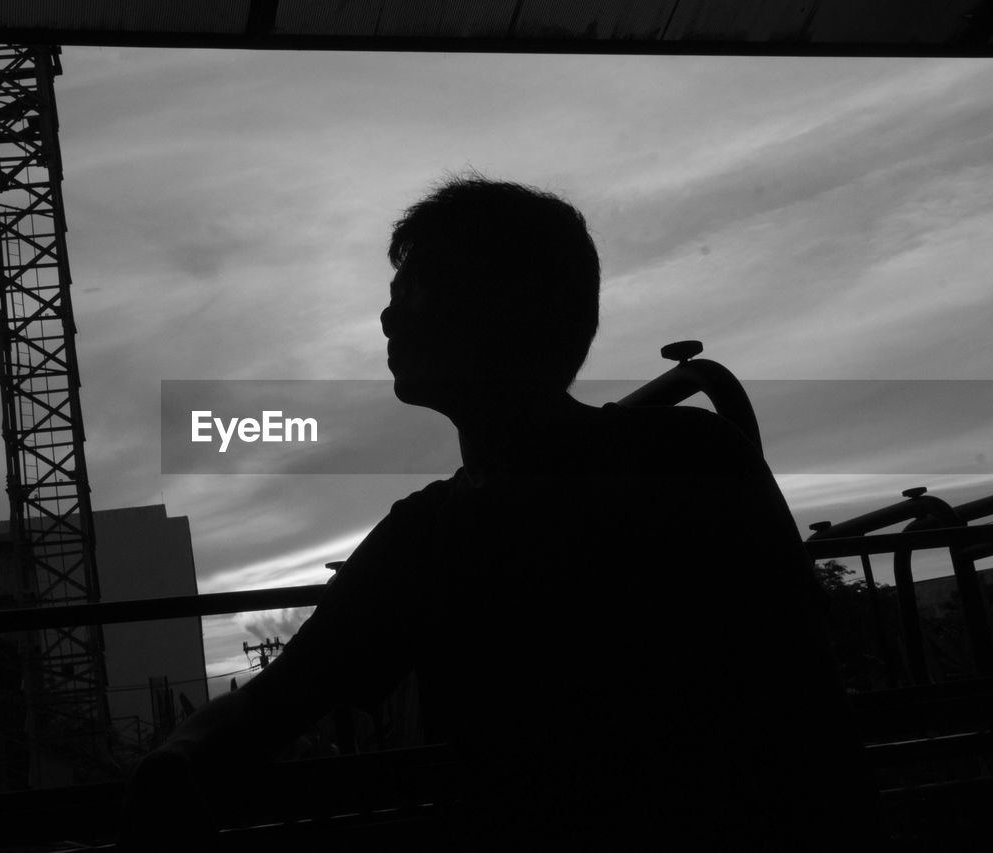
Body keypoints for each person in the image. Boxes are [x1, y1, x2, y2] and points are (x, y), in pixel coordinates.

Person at [117, 176, 877, 848]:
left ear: (494, 307)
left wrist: (177, 758)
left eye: (410, 291)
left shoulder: (435, 537)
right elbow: (813, 714)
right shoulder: (696, 452)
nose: (387, 319)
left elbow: (276, 703)